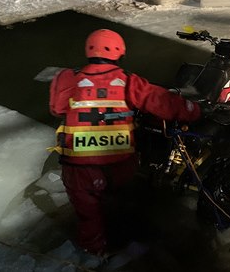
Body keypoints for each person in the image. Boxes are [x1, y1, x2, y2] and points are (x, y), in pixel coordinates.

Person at [49, 29, 201, 256]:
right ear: (119, 53)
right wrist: (192, 110)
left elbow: (56, 108)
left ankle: (93, 252)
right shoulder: (129, 82)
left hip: (77, 169)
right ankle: (124, 245)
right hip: (118, 165)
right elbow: (162, 102)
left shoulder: (68, 78)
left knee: (88, 215)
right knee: (122, 205)